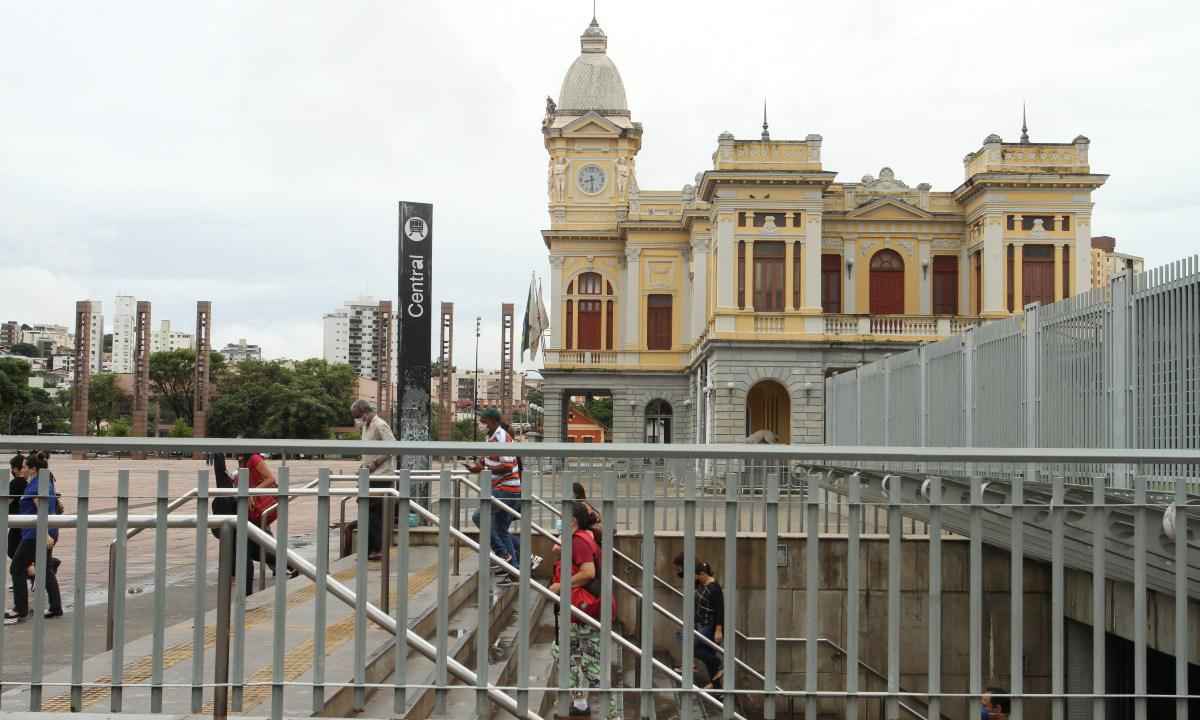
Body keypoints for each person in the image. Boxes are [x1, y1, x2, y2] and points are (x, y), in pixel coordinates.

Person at [549, 502, 621, 719]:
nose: (559, 520)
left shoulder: (579, 540)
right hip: (578, 613)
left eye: (562, 517)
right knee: (566, 655)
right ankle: (580, 703)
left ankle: (611, 713)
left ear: (572, 520)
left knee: (591, 666)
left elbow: (588, 572)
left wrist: (559, 586)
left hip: (583, 613)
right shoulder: (582, 538)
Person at [465, 408, 540, 577]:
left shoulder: (502, 437)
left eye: (483, 421)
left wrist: (486, 467)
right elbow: (483, 464)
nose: (481, 424)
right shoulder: (490, 439)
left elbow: (506, 466)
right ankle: (514, 569)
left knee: (479, 517)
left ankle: (503, 554)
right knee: (500, 530)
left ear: (492, 421)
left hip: (507, 490)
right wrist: (475, 468)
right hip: (503, 489)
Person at [5, 452, 63, 624]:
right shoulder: (42, 482)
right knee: (44, 570)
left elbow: (41, 508)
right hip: (43, 533)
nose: (23, 469)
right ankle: (55, 607)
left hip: (36, 534)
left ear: (33, 469)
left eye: (25, 467)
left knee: (16, 567)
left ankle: (20, 609)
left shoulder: (37, 485)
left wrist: (44, 534)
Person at [237, 452, 298, 580]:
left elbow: (271, 479)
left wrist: (253, 492)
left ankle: (290, 565)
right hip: (254, 507)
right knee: (265, 539)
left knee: (264, 540)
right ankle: (284, 566)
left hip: (261, 504)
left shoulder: (254, 458)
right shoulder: (244, 459)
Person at [351, 399, 396, 561]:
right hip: (369, 475)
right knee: (367, 512)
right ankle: (369, 549)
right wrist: (363, 468)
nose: (358, 420)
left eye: (358, 416)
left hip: (381, 475)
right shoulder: (366, 427)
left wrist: (375, 463)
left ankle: (376, 549)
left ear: (365, 412)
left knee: (373, 514)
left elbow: (393, 447)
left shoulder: (380, 425)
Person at [672, 553, 725, 690]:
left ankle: (706, 665)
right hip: (699, 623)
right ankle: (716, 685)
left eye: (696, 575)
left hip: (710, 626)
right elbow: (685, 574)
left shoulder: (714, 588)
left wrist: (719, 630)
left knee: (690, 643)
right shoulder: (700, 583)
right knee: (705, 653)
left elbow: (720, 610)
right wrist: (683, 563)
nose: (694, 578)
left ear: (702, 574)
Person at [6, 453, 28, 562]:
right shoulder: (26, 483)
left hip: (17, 523)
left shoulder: (16, 483)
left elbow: (6, 502)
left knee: (12, 551)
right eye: (24, 466)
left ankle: (31, 569)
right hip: (24, 522)